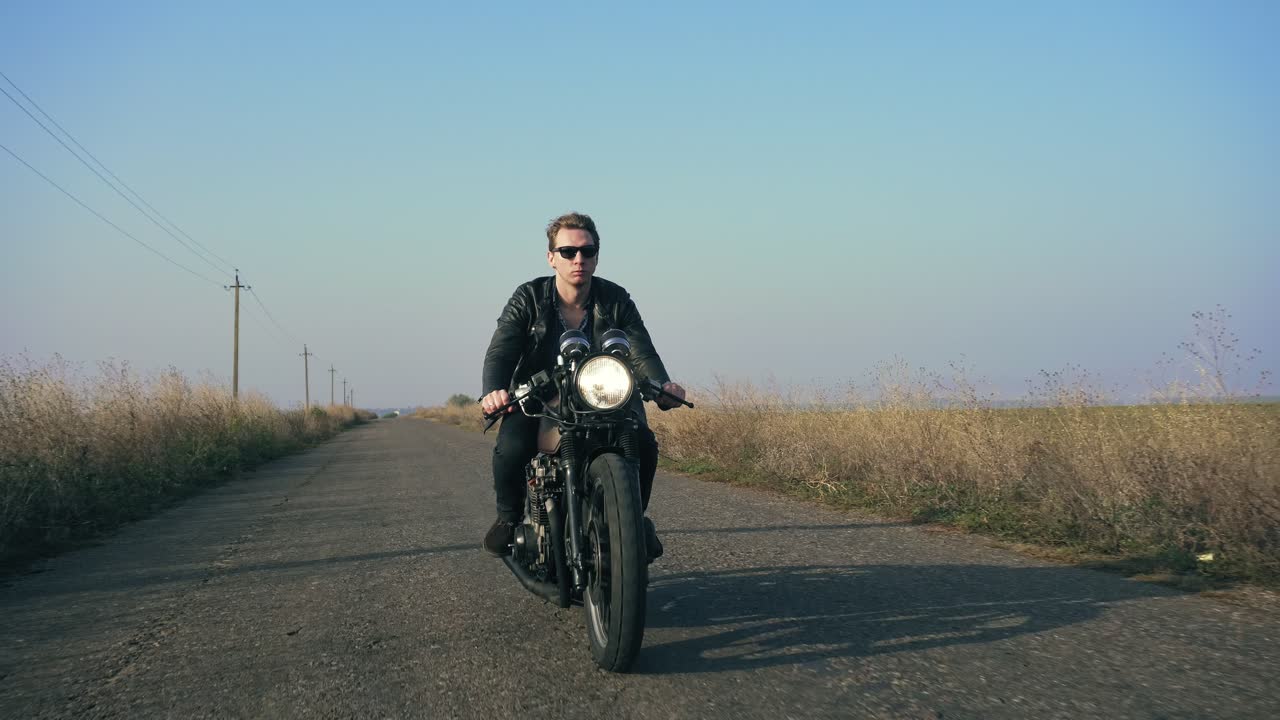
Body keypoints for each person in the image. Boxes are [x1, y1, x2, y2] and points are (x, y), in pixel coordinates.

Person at [479, 211, 686, 562]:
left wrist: (663, 384)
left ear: (596, 256)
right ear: (551, 258)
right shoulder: (529, 296)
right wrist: (494, 390)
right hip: (541, 396)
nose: (579, 259)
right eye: (568, 252)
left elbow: (640, 349)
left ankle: (632, 522)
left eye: (587, 251)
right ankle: (509, 518)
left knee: (644, 444)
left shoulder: (615, 298)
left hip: (604, 395)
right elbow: (502, 349)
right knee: (512, 447)